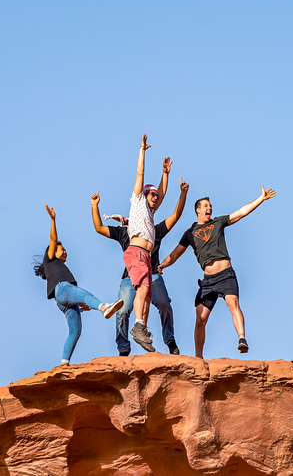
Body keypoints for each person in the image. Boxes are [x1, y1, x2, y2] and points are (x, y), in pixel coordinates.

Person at [158, 186, 276, 358]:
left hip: (225, 275)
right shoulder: (190, 233)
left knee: (233, 304)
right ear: (198, 210)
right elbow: (175, 253)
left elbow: (241, 213)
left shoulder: (218, 222)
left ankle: (242, 338)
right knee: (200, 319)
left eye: (210, 206)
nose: (209, 208)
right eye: (206, 205)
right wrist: (161, 266)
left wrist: (261, 198)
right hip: (208, 281)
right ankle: (199, 358)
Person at [90, 176, 189, 355]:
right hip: (130, 275)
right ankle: (123, 349)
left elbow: (174, 216)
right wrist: (95, 206)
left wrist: (169, 179)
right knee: (121, 311)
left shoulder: (153, 229)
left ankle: (170, 341)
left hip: (153, 273)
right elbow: (99, 228)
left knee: (165, 304)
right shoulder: (124, 233)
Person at [33, 205, 125, 366]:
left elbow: (73, 297)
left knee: (75, 332)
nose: (65, 251)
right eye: (61, 249)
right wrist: (53, 220)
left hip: (62, 300)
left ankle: (64, 363)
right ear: (52, 252)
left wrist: (82, 304)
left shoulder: (56, 267)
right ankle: (104, 307)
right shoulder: (50, 260)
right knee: (85, 294)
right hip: (63, 289)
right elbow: (53, 240)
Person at [125, 133, 168, 352]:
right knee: (142, 288)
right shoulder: (138, 201)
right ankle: (138, 325)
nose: (155, 197)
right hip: (136, 251)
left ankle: (142, 328)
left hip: (146, 256)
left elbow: (163, 193)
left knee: (148, 293)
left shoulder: (150, 213)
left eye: (156, 196)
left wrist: (165, 174)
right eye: (152, 194)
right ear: (144, 194)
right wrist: (142, 150)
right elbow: (140, 174)